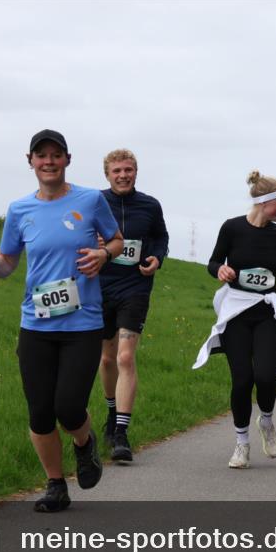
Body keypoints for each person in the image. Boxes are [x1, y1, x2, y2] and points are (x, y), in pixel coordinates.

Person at [0, 129, 123, 512]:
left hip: (82, 324)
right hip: (36, 324)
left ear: (67, 160)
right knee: (40, 411)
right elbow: (9, 262)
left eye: (55, 155)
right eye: (41, 156)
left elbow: (117, 240)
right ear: (30, 161)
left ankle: (84, 443)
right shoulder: (19, 210)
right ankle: (56, 485)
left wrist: (104, 255)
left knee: (68, 406)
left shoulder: (90, 200)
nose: (48, 162)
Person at [193, 171, 276, 469]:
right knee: (242, 380)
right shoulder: (232, 228)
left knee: (266, 375)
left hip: (266, 314)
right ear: (265, 203)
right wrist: (220, 271)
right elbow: (214, 262)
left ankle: (266, 421)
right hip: (236, 314)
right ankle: (241, 444)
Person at [97, 149, 169, 464]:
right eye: (117, 171)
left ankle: (122, 434)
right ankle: (111, 412)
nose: (123, 175)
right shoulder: (94, 203)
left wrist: (157, 258)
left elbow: (160, 238)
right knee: (106, 358)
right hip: (99, 288)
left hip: (135, 288)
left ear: (136, 172)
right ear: (107, 175)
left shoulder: (150, 205)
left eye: (128, 170)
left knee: (126, 356)